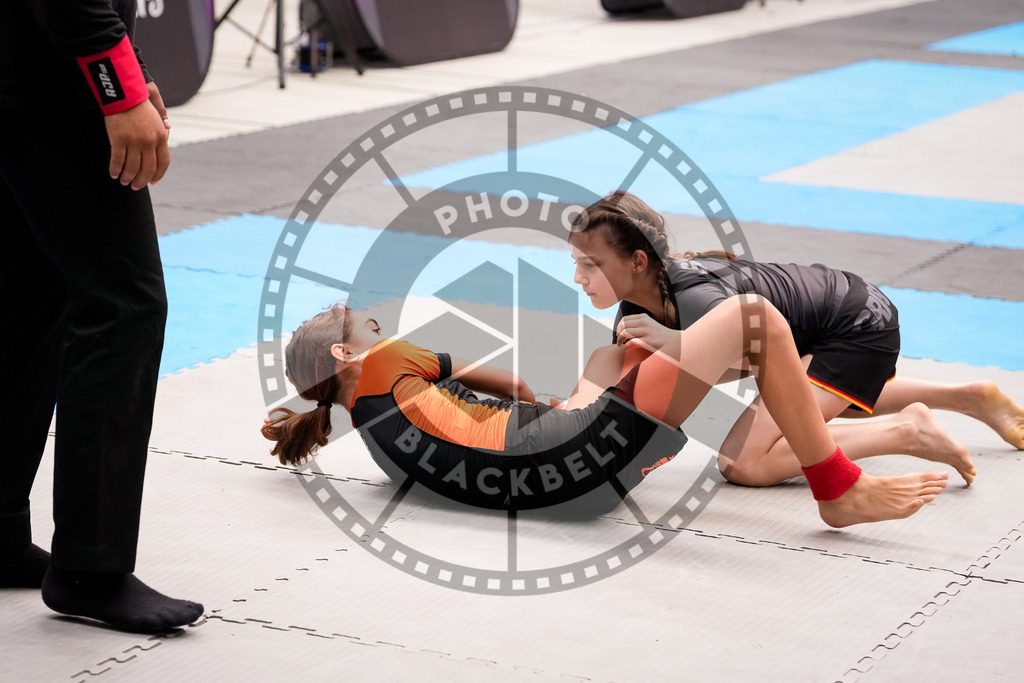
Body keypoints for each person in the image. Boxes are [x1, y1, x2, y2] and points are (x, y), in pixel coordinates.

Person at [263, 302, 950, 528]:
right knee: (755, 320)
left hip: (571, 482)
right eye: (341, 316)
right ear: (348, 351)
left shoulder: (372, 428)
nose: (354, 311)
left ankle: (773, 445)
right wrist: (548, 409)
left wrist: (556, 412)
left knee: (610, 357)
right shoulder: (383, 360)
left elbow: (472, 425)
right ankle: (835, 485)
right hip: (568, 454)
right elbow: (510, 379)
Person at [566, 190, 1024, 488]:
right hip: (834, 316)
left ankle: (907, 430)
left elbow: (763, 364)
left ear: (638, 261)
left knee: (744, 462)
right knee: (802, 381)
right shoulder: (638, 302)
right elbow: (617, 390)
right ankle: (967, 396)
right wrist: (565, 419)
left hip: (858, 327)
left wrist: (674, 346)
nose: (578, 277)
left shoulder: (696, 299)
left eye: (590, 265)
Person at [0, 0, 203, 632]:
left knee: (35, 299)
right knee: (124, 306)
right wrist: (117, 88)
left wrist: (131, 74)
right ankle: (91, 567)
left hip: (21, 73)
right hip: (54, 85)